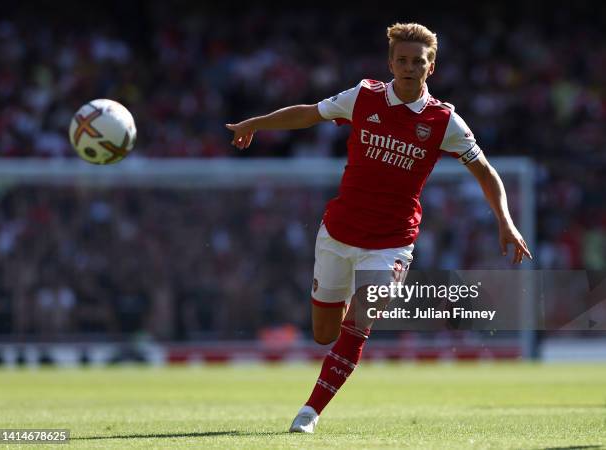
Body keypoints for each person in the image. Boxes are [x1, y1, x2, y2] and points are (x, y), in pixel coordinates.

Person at [226, 22, 532, 434]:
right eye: (402, 60)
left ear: (431, 67)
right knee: (323, 334)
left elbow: (486, 172)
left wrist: (506, 223)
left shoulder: (446, 121)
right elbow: (309, 113)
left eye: (417, 62)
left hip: (392, 242)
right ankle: (331, 355)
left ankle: (309, 413)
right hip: (338, 233)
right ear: (390, 62)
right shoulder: (363, 96)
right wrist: (256, 123)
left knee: (362, 319)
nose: (409, 68)